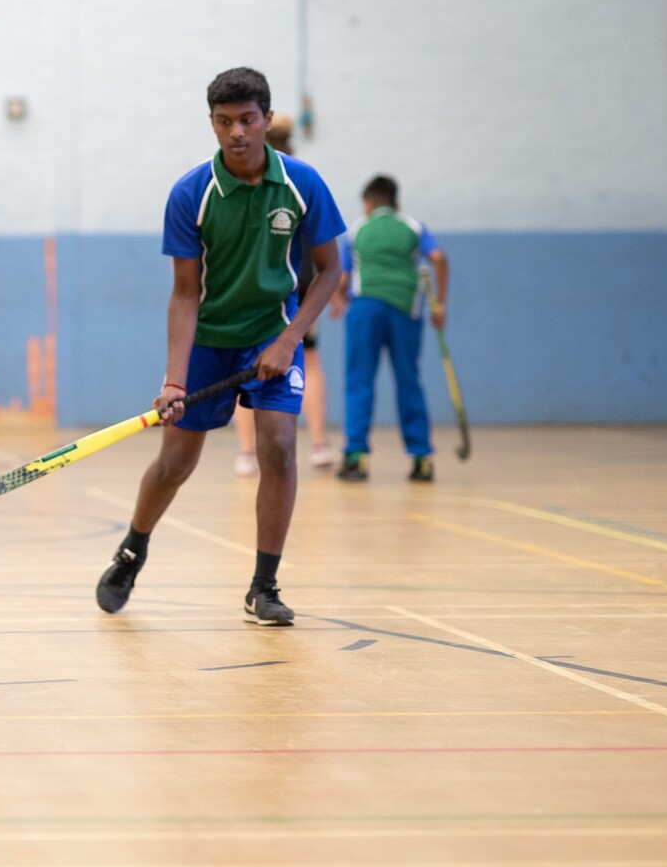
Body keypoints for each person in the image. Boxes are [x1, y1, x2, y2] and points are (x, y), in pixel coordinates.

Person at [96, 67, 344, 625]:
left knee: (278, 446)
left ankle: (264, 585)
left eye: (247, 120)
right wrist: (175, 380)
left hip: (273, 333)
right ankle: (132, 549)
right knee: (176, 463)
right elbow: (184, 294)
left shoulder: (303, 184)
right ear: (211, 123)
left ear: (267, 120)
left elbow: (330, 271)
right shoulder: (191, 193)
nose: (236, 132)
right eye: (224, 121)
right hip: (209, 337)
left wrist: (288, 339)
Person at [231, 116, 335, 473]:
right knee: (311, 362)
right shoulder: (304, 176)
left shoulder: (260, 177)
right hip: (302, 288)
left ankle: (247, 452)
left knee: (244, 368)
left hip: (265, 293)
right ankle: (319, 445)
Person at [335, 175, 448, 483]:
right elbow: (438, 258)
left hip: (365, 308)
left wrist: (338, 300)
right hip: (405, 308)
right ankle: (422, 457)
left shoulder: (358, 229)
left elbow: (343, 278)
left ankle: (356, 457)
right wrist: (441, 305)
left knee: (359, 381)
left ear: (369, 203)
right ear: (396, 201)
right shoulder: (413, 227)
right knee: (409, 380)